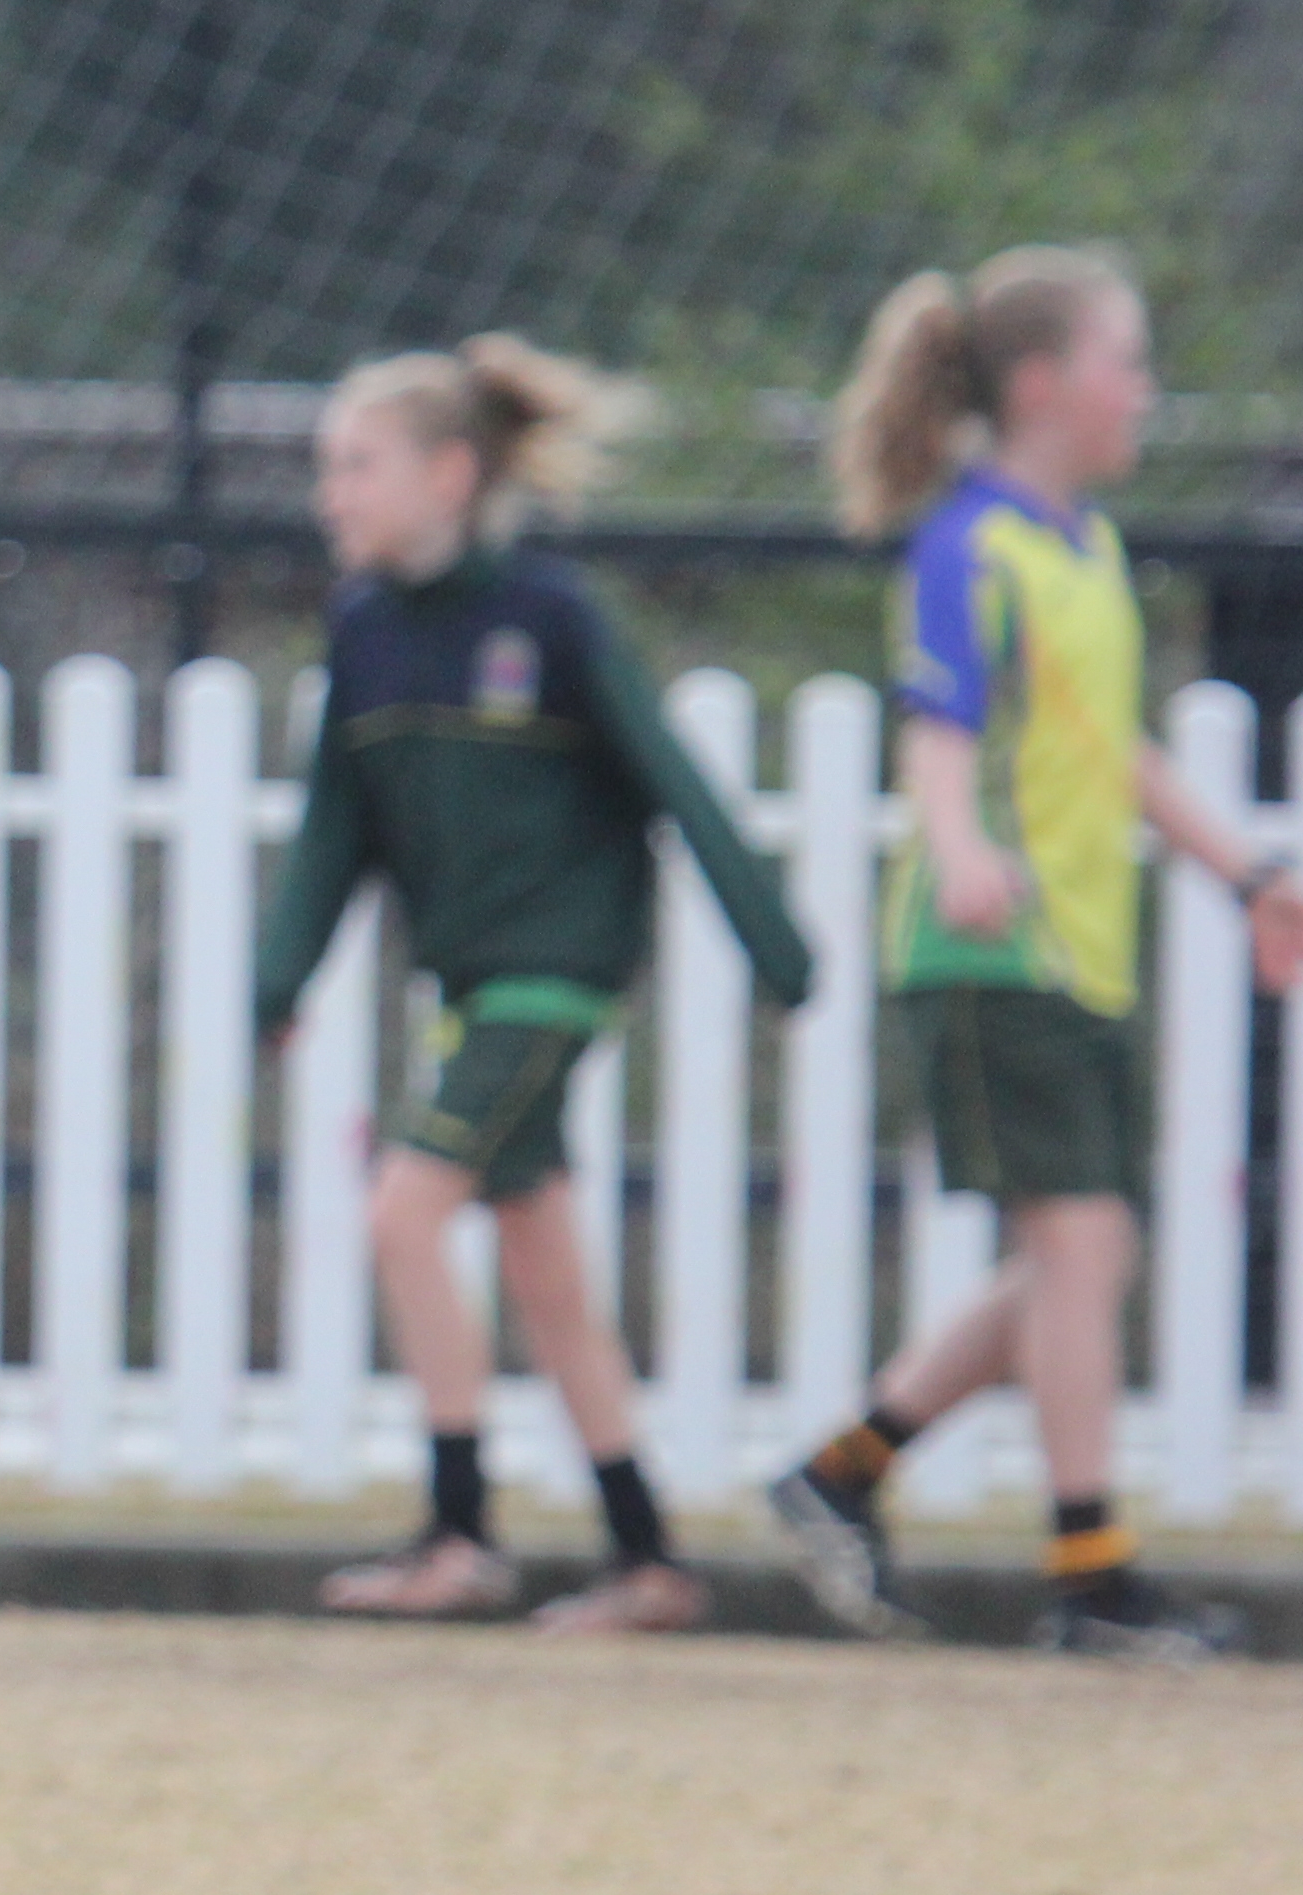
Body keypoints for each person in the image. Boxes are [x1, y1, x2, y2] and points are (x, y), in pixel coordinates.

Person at [771, 248, 1303, 1659]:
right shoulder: (973, 545)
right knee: (1083, 1244)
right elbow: (938, 727)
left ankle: (845, 1475)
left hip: (1075, 954)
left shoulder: (1091, 552)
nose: (1145, 391)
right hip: (982, 951)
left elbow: (1109, 753)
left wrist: (1246, 868)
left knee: (1079, 1252)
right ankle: (1091, 1573)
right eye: (1128, 361)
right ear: (1043, 383)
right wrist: (954, 843)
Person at [257, 335, 816, 1631]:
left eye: (356, 465)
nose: (331, 494)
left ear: (451, 473)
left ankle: (459, 1536)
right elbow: (334, 825)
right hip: (472, 988)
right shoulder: (364, 634)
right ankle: (650, 1557)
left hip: (557, 980)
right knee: (546, 1270)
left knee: (403, 1216)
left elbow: (670, 777)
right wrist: (278, 976)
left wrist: (769, 937)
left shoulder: (548, 618)